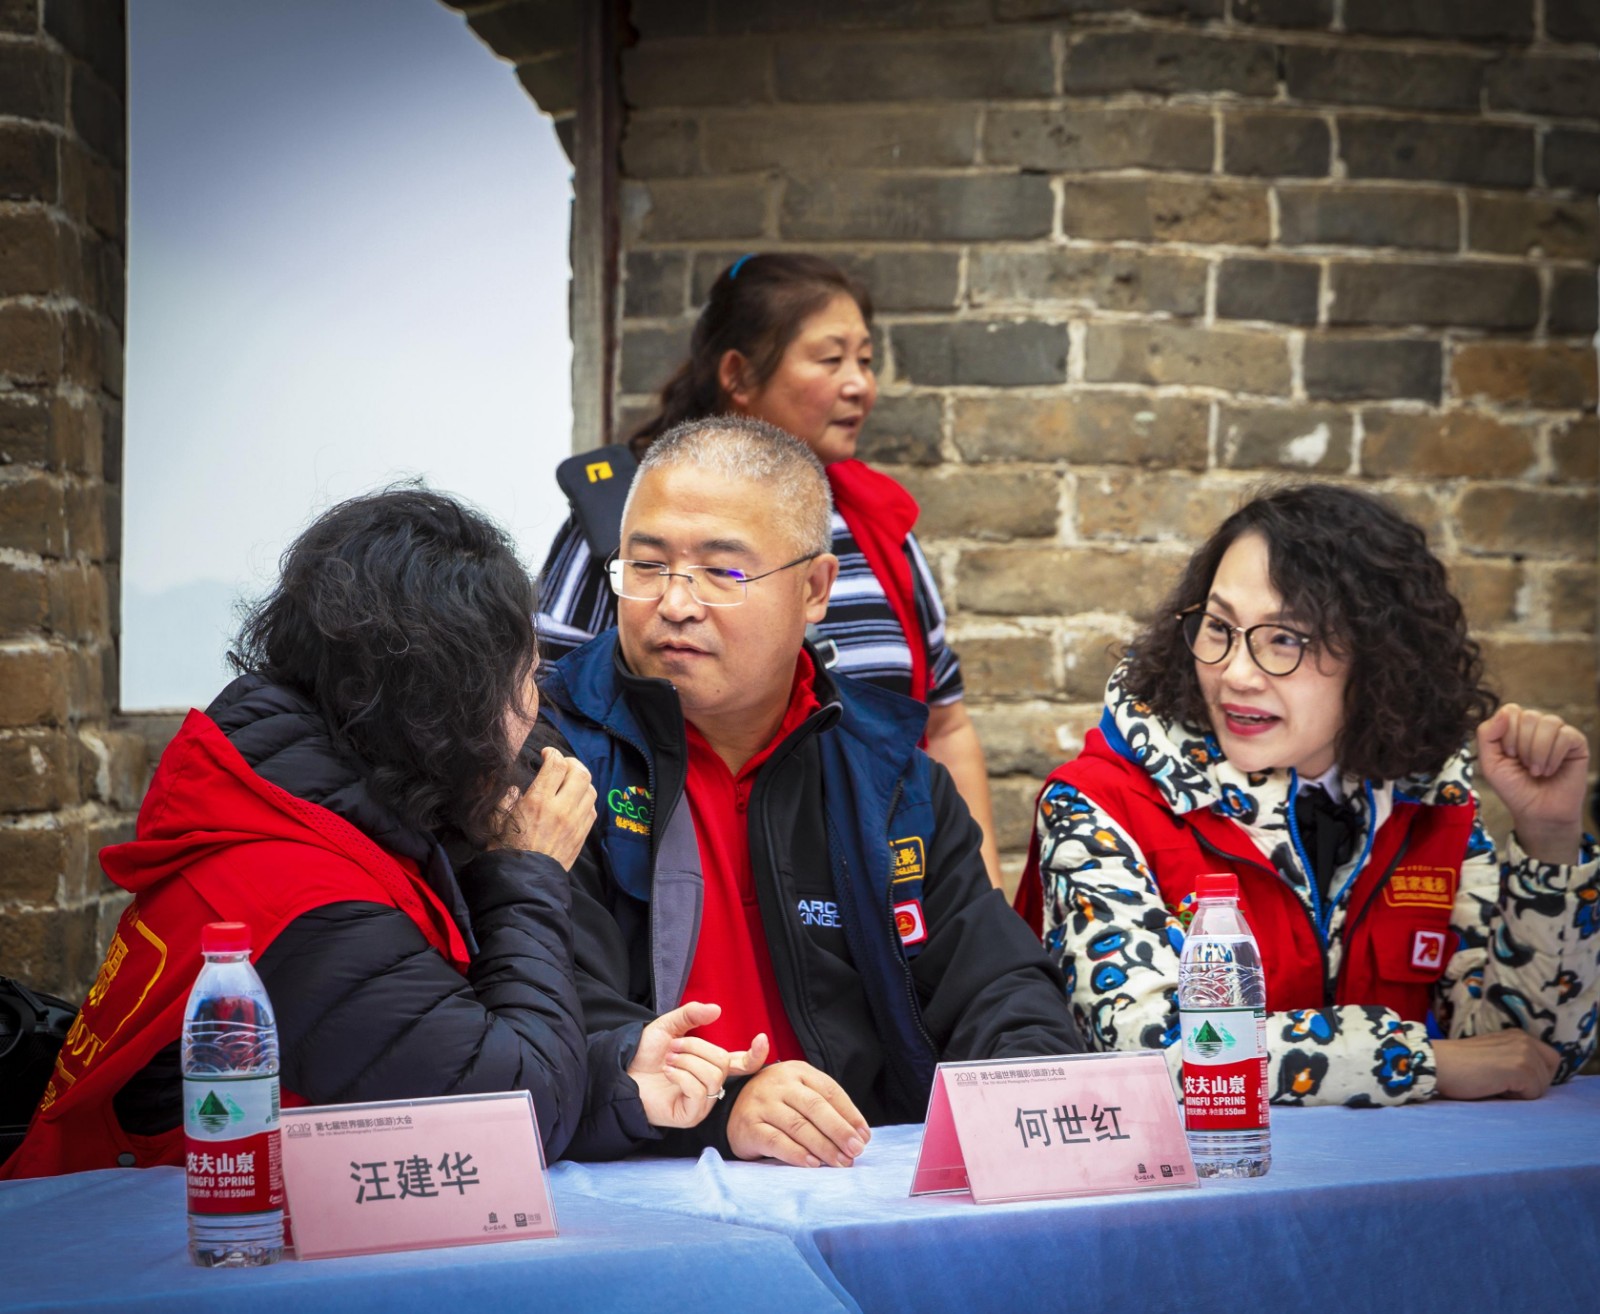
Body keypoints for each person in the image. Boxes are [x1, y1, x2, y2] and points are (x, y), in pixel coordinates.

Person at [2, 487, 759, 1179]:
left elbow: (438, 1067)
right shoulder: (298, 890)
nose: (537, 713)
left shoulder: (339, 800)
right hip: (185, 1238)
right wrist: (528, 870)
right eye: (526, 679)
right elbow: (509, 1119)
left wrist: (623, 1077)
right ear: (448, 704)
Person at [542, 416, 1083, 1168]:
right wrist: (721, 1109)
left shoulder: (887, 775)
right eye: (647, 565)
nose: (675, 603)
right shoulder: (551, 760)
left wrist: (1029, 1095)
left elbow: (998, 983)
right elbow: (543, 1014)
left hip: (864, 1180)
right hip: (636, 1184)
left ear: (815, 589)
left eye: (721, 573)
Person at [1018, 483, 1599, 1107]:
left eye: (1286, 639)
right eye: (1219, 627)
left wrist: (1549, 841)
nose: (1236, 673)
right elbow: (1147, 1054)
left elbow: (1525, 1059)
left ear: (1381, 660)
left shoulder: (1430, 806)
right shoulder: (1098, 805)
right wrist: (1415, 1062)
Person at [537, 253, 1004, 886]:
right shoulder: (625, 517)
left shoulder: (877, 522)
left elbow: (945, 722)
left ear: (817, 584)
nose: (859, 385)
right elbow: (546, 715)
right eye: (830, 359)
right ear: (738, 374)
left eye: (865, 361)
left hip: (875, 889)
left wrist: (978, 895)